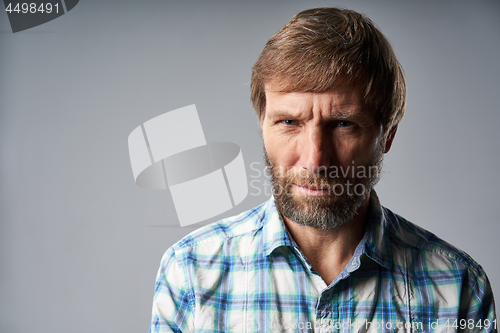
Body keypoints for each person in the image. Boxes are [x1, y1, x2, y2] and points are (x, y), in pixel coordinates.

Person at [149, 7, 497, 332]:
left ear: (387, 135)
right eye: (288, 122)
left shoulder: (458, 286)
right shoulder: (191, 273)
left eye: (343, 124)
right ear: (262, 126)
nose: (315, 160)